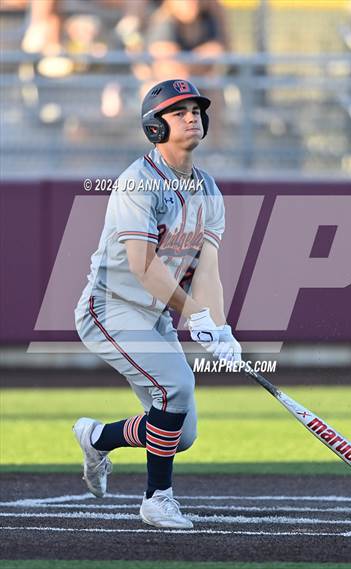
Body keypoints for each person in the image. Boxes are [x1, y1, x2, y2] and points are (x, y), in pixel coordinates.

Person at [73, 78, 241, 529]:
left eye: (196, 110)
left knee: (180, 433)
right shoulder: (137, 183)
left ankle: (97, 437)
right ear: (155, 127)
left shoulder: (208, 189)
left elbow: (207, 269)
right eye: (178, 112)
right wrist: (194, 314)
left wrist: (220, 328)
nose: (191, 117)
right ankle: (157, 500)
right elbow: (143, 266)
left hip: (153, 315)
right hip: (110, 308)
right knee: (177, 388)